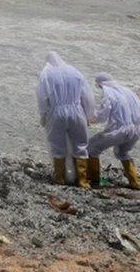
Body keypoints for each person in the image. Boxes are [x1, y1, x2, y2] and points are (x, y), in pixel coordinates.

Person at [37, 51, 96, 188]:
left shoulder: (46, 74)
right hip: (77, 111)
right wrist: (88, 115)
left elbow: (42, 97)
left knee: (57, 146)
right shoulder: (75, 72)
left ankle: (59, 179)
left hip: (56, 112)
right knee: (81, 145)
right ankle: (82, 181)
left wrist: (43, 114)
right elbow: (88, 96)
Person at [87, 74, 140, 189]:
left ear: (101, 84)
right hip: (135, 130)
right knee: (122, 153)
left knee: (92, 148)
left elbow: (103, 115)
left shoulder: (108, 93)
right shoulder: (128, 92)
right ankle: (135, 182)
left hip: (119, 130)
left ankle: (94, 180)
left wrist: (90, 118)